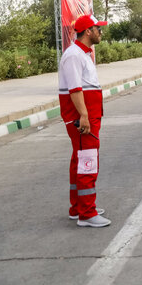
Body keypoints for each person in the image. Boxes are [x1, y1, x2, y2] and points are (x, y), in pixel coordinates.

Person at [59, 14, 111, 228]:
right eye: (98, 28)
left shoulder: (82, 53)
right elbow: (75, 89)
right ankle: (87, 214)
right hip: (83, 118)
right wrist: (83, 116)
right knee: (88, 162)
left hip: (88, 115)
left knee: (79, 161)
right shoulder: (74, 55)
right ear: (88, 31)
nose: (101, 32)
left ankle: (78, 207)